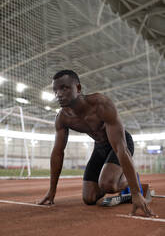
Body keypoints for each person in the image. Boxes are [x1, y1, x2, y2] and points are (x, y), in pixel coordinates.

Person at [39, 69, 155, 217]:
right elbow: (57, 153)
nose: (58, 94)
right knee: (89, 198)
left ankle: (132, 178)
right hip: (100, 147)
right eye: (55, 90)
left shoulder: (100, 104)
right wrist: (52, 191)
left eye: (64, 88)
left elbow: (121, 148)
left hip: (120, 143)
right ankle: (121, 176)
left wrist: (136, 193)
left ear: (78, 88)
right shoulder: (62, 118)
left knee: (108, 185)